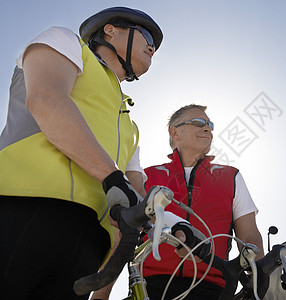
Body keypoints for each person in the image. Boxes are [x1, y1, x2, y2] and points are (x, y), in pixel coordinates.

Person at [0, 7, 163, 300]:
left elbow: (137, 193)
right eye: (147, 35)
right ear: (110, 30)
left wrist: (177, 229)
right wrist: (112, 176)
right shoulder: (67, 43)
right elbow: (46, 99)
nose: (153, 46)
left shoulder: (129, 123)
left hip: (89, 245)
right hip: (21, 209)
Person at [142, 104, 264, 299]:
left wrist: (262, 283)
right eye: (199, 123)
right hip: (151, 285)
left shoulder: (231, 176)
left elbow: (249, 236)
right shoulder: (147, 176)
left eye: (210, 125)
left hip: (213, 287)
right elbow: (124, 232)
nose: (208, 129)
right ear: (175, 133)